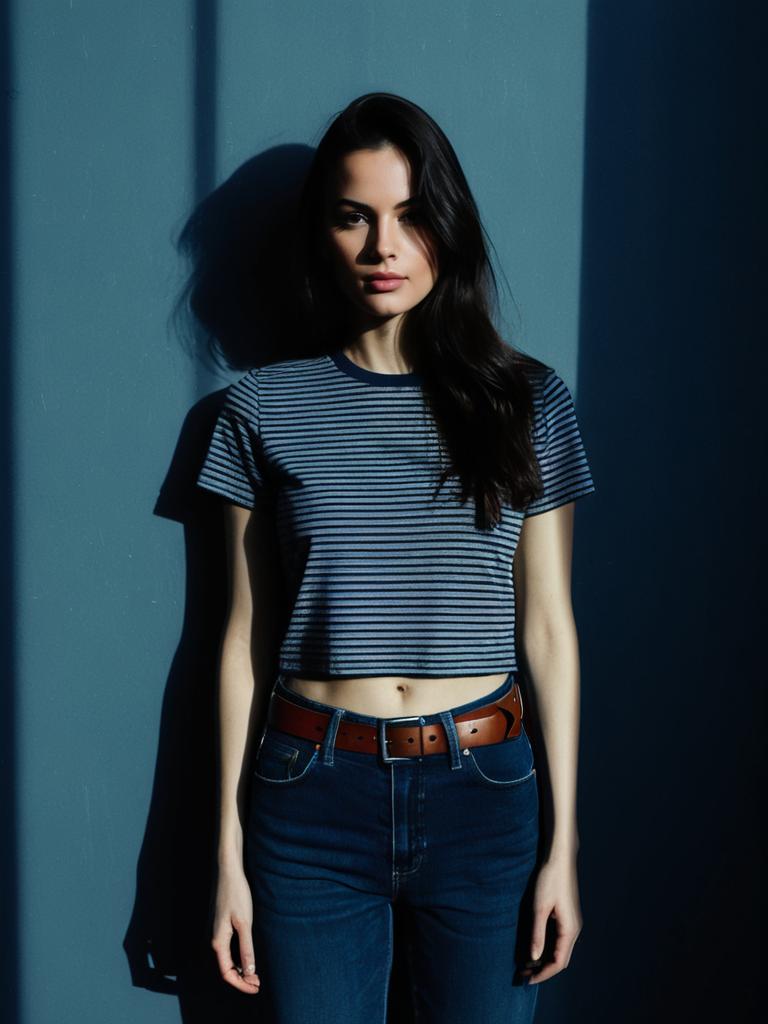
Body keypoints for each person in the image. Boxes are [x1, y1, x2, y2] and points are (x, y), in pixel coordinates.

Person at [196, 92, 596, 1023]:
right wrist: (226, 853)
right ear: (323, 233)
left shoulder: (530, 400)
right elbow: (241, 641)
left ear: (447, 226)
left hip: (486, 793)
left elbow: (549, 628)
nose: (383, 246)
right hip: (309, 797)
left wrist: (563, 846)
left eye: (411, 215)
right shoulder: (262, 409)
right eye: (355, 216)